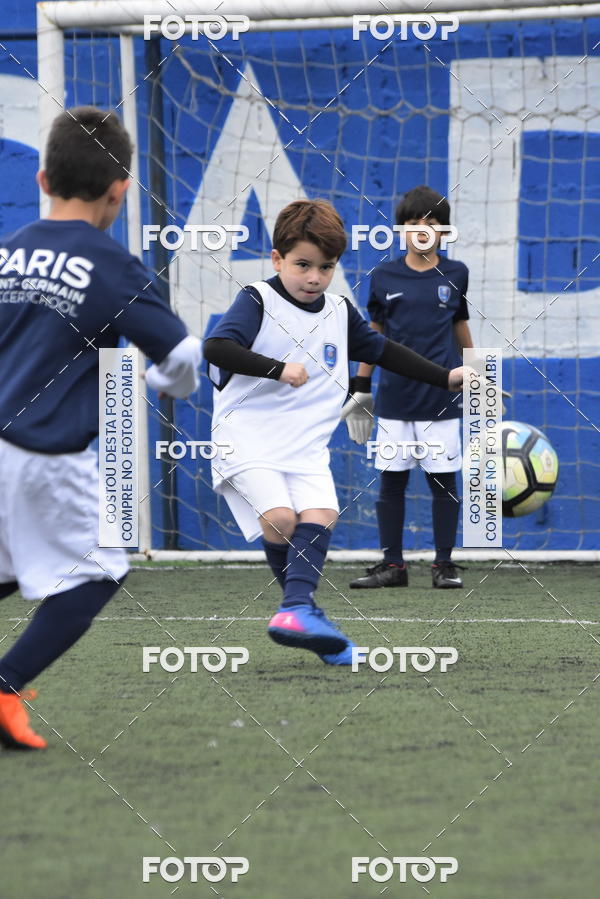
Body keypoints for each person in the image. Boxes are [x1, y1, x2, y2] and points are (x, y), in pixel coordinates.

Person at [0, 106, 200, 749]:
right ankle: (5, 688)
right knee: (99, 570)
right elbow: (183, 356)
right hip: (43, 452)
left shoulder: (9, 251)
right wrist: (160, 384)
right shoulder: (112, 265)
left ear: (40, 179)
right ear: (119, 192)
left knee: (9, 566)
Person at [203, 198, 468, 667]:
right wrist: (278, 368)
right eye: (302, 265)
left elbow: (385, 350)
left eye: (326, 267)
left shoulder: (339, 311)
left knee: (321, 516)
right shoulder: (256, 299)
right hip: (244, 436)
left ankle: (300, 612)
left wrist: (446, 376)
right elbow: (218, 347)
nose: (314, 278)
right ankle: (301, 610)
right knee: (282, 520)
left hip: (304, 446)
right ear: (277, 260)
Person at [345, 185, 473, 591]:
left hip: (442, 398)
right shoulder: (383, 276)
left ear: (444, 231)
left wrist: (480, 373)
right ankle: (393, 567)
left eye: (431, 224)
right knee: (391, 481)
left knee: (443, 482)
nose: (422, 230)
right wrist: (361, 385)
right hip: (395, 399)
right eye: (413, 223)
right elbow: (373, 334)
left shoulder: (456, 274)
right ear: (401, 230)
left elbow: (460, 325)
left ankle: (444, 565)